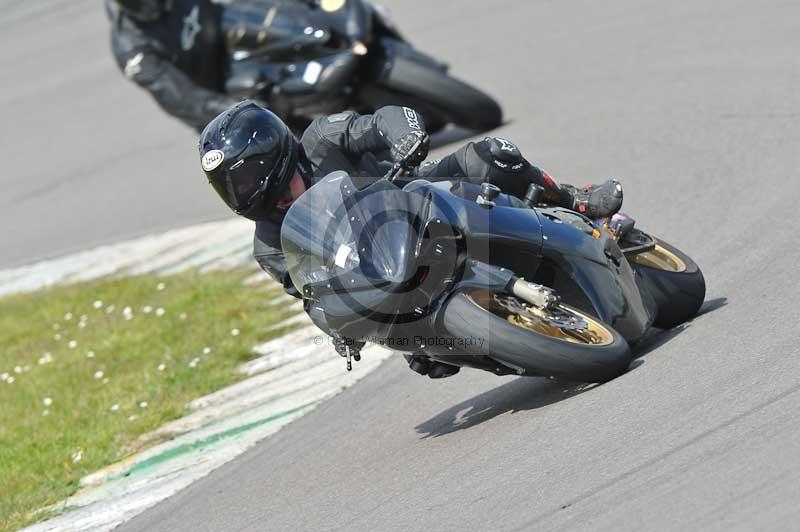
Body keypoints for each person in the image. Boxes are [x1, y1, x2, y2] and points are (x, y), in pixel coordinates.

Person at [199, 101, 623, 376]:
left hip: (417, 193)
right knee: (425, 357)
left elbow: (382, 119)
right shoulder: (269, 245)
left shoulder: (322, 140)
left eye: (247, 175)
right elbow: (312, 294)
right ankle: (476, 340)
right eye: (231, 186)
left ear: (274, 151)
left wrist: (403, 133)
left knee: (491, 154)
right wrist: (341, 329)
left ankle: (576, 200)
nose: (245, 190)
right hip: (382, 274)